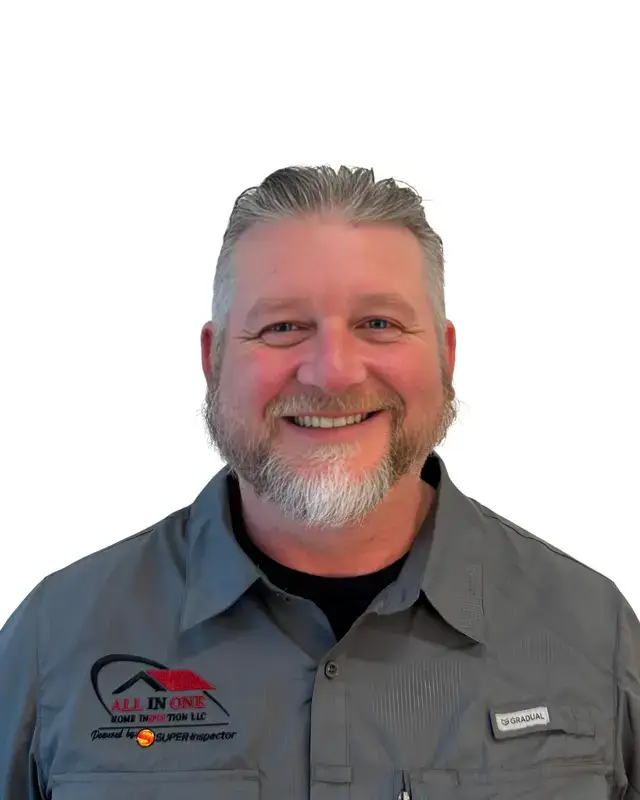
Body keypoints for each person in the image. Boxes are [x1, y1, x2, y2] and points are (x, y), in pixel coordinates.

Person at [0, 165, 638, 800]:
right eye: (283, 327)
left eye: (379, 324)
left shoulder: (594, 632)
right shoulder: (54, 640)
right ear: (213, 360)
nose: (333, 373)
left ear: (446, 355)